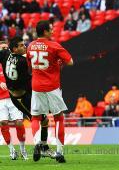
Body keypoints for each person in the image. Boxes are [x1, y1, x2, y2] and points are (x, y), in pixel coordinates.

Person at [0, 39, 55, 160]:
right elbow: (28, 80)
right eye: (21, 46)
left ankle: (43, 147)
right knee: (41, 119)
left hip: (15, 96)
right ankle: (41, 147)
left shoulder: (4, 55)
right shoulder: (22, 62)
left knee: (43, 120)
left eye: (24, 44)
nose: (24, 46)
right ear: (14, 49)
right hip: (22, 98)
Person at [26, 20, 73, 163]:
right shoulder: (54, 45)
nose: (52, 31)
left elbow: (30, 66)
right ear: (45, 31)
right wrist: (58, 62)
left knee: (35, 117)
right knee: (58, 117)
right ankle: (59, 152)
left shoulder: (30, 46)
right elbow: (70, 61)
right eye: (51, 29)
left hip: (36, 86)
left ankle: (37, 144)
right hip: (52, 86)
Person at [0, 41, 27, 160]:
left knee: (19, 123)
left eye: (6, 48)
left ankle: (23, 150)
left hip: (13, 97)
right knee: (3, 123)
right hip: (0, 100)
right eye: (2, 48)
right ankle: (12, 150)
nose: (5, 50)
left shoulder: (14, 62)